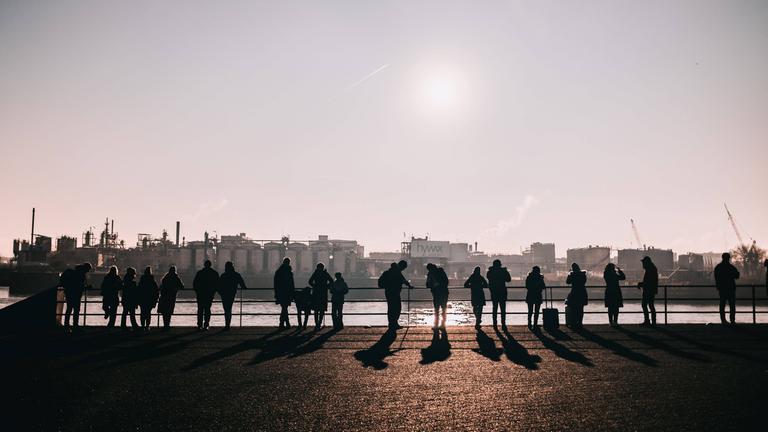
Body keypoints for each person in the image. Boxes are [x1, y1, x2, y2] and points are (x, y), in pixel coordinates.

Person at [378, 260, 413, 330]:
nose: (404, 269)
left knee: (391, 308)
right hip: (395, 293)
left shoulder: (388, 272)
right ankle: (394, 323)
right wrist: (409, 285)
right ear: (402, 266)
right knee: (397, 308)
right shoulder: (397, 272)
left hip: (388, 292)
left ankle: (391, 324)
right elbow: (404, 281)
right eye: (404, 267)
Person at [59, 262, 92, 331]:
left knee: (69, 309)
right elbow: (80, 286)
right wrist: (86, 287)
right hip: (76, 295)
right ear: (86, 268)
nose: (88, 271)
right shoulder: (81, 274)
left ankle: (66, 325)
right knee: (76, 310)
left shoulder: (75, 272)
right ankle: (75, 325)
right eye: (88, 270)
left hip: (69, 293)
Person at [219, 261, 246, 330]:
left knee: (226, 309)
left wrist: (221, 293)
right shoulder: (236, 275)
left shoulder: (223, 275)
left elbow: (218, 285)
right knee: (229, 309)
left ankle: (227, 325)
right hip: (232, 293)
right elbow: (243, 285)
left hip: (224, 294)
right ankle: (228, 325)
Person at [714, 253, 740, 325]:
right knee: (732, 305)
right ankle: (732, 320)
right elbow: (737, 276)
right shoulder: (731, 267)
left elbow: (716, 278)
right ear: (729, 258)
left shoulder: (718, 267)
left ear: (722, 258)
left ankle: (723, 320)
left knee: (722, 305)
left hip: (722, 289)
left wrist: (718, 287)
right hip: (731, 288)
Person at [193, 260, 219, 330]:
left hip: (200, 294)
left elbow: (195, 283)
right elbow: (217, 284)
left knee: (200, 309)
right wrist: (213, 292)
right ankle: (206, 324)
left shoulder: (200, 273)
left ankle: (199, 325)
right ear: (210, 265)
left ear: (204, 265)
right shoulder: (214, 273)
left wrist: (197, 291)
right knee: (207, 309)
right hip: (209, 294)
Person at [486, 260, 511, 328]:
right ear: (500, 265)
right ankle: (503, 324)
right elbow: (508, 279)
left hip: (494, 292)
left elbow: (489, 279)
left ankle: (495, 323)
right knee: (503, 309)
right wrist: (505, 271)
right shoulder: (503, 271)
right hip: (502, 291)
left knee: (494, 308)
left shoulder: (490, 272)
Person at [309, 263, 333, 329]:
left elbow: (310, 281)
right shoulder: (325, 273)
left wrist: (314, 286)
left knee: (316, 309)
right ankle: (319, 323)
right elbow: (331, 281)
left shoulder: (315, 273)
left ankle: (316, 323)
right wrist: (326, 286)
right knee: (322, 309)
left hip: (316, 293)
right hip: (323, 293)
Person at [426, 263, 450, 329]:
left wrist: (434, 284)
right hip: (444, 293)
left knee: (436, 310)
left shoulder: (431, 274)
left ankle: (436, 325)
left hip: (436, 294)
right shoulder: (441, 272)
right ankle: (443, 324)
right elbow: (446, 282)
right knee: (444, 309)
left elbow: (427, 284)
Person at [273, 258, 295, 328]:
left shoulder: (278, 271)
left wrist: (276, 292)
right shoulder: (289, 272)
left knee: (284, 307)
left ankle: (282, 323)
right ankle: (285, 323)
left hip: (280, 292)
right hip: (287, 292)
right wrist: (292, 292)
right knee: (285, 308)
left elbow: (276, 283)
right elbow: (292, 284)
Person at [637, 256, 658, 326]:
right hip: (651, 290)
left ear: (646, 263)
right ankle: (653, 322)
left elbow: (649, 281)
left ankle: (647, 321)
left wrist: (641, 284)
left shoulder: (650, 270)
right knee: (651, 305)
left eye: (643, 263)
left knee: (645, 305)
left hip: (648, 290)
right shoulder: (652, 268)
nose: (642, 264)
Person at [565, 263, 588, 329]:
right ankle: (580, 323)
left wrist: (569, 274)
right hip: (582, 292)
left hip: (574, 292)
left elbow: (568, 282)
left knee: (574, 308)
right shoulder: (583, 274)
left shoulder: (572, 274)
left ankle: (574, 323)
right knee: (580, 309)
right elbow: (584, 281)